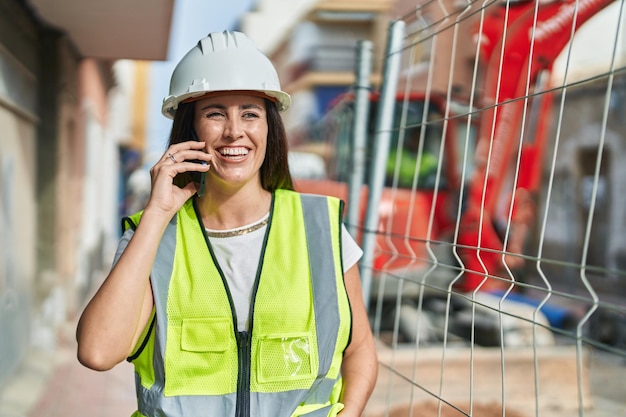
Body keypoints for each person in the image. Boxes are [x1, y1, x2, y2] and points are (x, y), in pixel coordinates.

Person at [76, 30, 378, 417]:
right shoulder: (154, 237)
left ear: (270, 128)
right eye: (215, 113)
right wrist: (156, 215)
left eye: (250, 113)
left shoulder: (320, 228)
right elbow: (98, 352)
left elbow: (360, 349)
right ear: (190, 131)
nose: (234, 130)